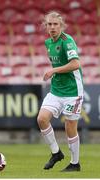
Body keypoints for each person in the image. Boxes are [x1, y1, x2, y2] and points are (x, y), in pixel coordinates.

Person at [37, 11, 84, 172]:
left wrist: (54, 70)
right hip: (56, 90)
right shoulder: (48, 43)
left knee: (70, 127)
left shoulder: (67, 40)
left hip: (73, 91)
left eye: (55, 24)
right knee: (42, 119)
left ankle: (75, 163)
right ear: (46, 26)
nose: (52, 27)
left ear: (61, 26)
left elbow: (76, 64)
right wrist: (55, 72)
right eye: (49, 24)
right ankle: (56, 153)